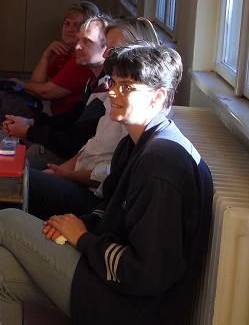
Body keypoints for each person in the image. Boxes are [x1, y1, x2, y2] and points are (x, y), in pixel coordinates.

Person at [0, 42, 213, 325]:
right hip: (109, 282)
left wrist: (83, 238)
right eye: (114, 82)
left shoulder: (162, 164)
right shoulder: (134, 144)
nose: (113, 92)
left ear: (157, 96)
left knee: (5, 220)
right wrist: (75, 224)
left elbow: (148, 273)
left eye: (127, 87)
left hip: (130, 307)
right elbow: (110, 210)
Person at [27, 17, 161, 219]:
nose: (106, 54)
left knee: (23, 179)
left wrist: (66, 174)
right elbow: (90, 145)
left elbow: (110, 175)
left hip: (94, 195)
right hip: (81, 174)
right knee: (21, 171)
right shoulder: (109, 92)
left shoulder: (133, 108)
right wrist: (61, 171)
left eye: (112, 48)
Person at [3, 15, 111, 161]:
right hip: (73, 146)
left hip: (86, 160)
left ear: (108, 48)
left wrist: (29, 131)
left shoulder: (107, 89)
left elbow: (74, 142)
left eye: (87, 41)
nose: (77, 46)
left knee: (35, 154)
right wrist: (31, 123)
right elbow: (70, 118)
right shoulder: (93, 80)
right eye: (79, 40)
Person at [12, 2, 99, 115]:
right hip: (59, 117)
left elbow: (46, 92)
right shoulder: (65, 51)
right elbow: (36, 85)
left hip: (72, 121)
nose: (70, 29)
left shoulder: (82, 60)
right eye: (67, 23)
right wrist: (46, 56)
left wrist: (19, 84)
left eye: (77, 25)